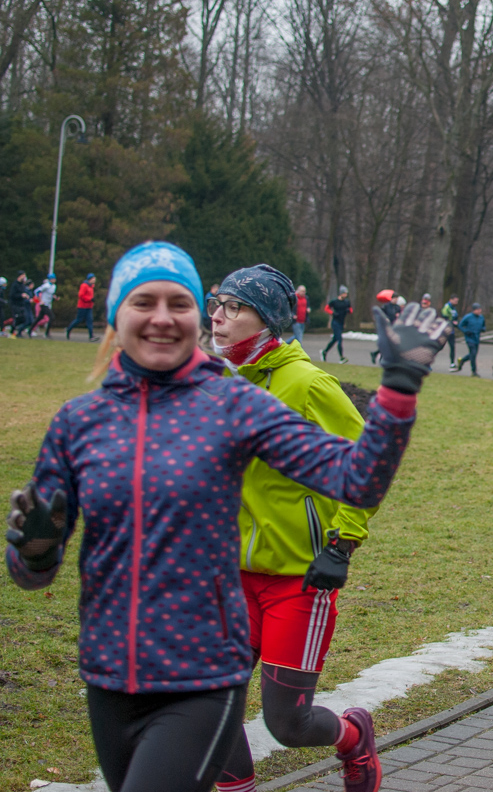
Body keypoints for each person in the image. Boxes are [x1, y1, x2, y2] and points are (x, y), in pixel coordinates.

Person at [6, 241, 445, 792]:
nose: (166, 316)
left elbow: (358, 476)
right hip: (111, 672)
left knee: (285, 721)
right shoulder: (79, 422)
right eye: (144, 302)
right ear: (116, 314)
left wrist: (399, 389)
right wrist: (35, 552)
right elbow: (29, 574)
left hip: (221, 647)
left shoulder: (232, 404)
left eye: (182, 302)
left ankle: (350, 740)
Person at [206, 265, 383, 792]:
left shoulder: (307, 385)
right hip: (228, 577)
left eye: (235, 307)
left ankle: (354, 739)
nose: (218, 315)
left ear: (268, 321)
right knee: (209, 706)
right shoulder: (218, 383)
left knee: (287, 723)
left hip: (297, 581)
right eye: (218, 303)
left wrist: (342, 544)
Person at [321, 286, 352, 364]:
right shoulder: (334, 301)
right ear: (341, 293)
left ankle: (324, 352)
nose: (345, 295)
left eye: (346, 294)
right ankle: (341, 357)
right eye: (344, 293)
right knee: (339, 339)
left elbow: (351, 309)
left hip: (341, 323)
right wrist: (332, 313)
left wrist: (348, 310)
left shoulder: (346, 302)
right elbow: (326, 308)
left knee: (335, 339)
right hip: (335, 323)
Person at [457, 302, 485, 376]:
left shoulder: (481, 317)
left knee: (473, 354)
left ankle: (462, 361)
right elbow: (460, 325)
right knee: (473, 353)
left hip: (477, 338)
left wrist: (483, 329)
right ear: (474, 310)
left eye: (480, 310)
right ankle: (474, 371)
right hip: (470, 338)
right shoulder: (468, 317)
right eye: (478, 310)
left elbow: (483, 325)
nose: (480, 311)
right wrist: (466, 331)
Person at [9, 271, 33, 338]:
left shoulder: (22, 285)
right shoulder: (15, 284)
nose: (25, 277)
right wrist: (21, 295)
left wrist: (26, 296)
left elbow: (24, 293)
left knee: (23, 318)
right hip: (15, 304)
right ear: (20, 276)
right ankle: (12, 332)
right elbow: (12, 295)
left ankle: (18, 331)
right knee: (17, 318)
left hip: (21, 304)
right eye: (24, 276)